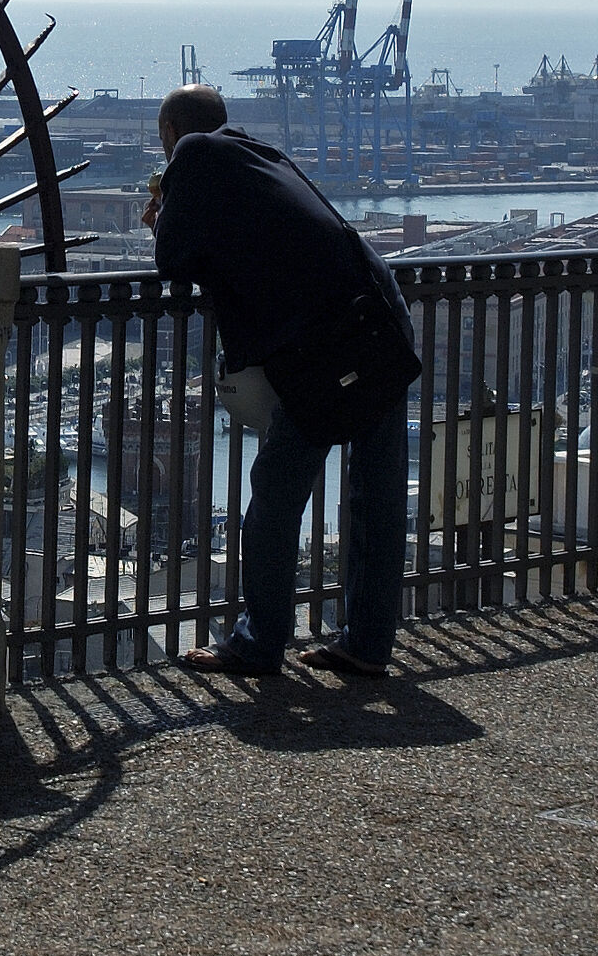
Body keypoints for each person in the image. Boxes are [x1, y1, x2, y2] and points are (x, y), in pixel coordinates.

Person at [143, 84, 410, 677]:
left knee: (275, 495)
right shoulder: (263, 155)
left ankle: (258, 642)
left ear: (170, 134)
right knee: (377, 493)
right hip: (378, 315)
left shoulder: (194, 155)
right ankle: (365, 644)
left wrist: (161, 213)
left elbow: (171, 259)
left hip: (327, 341)